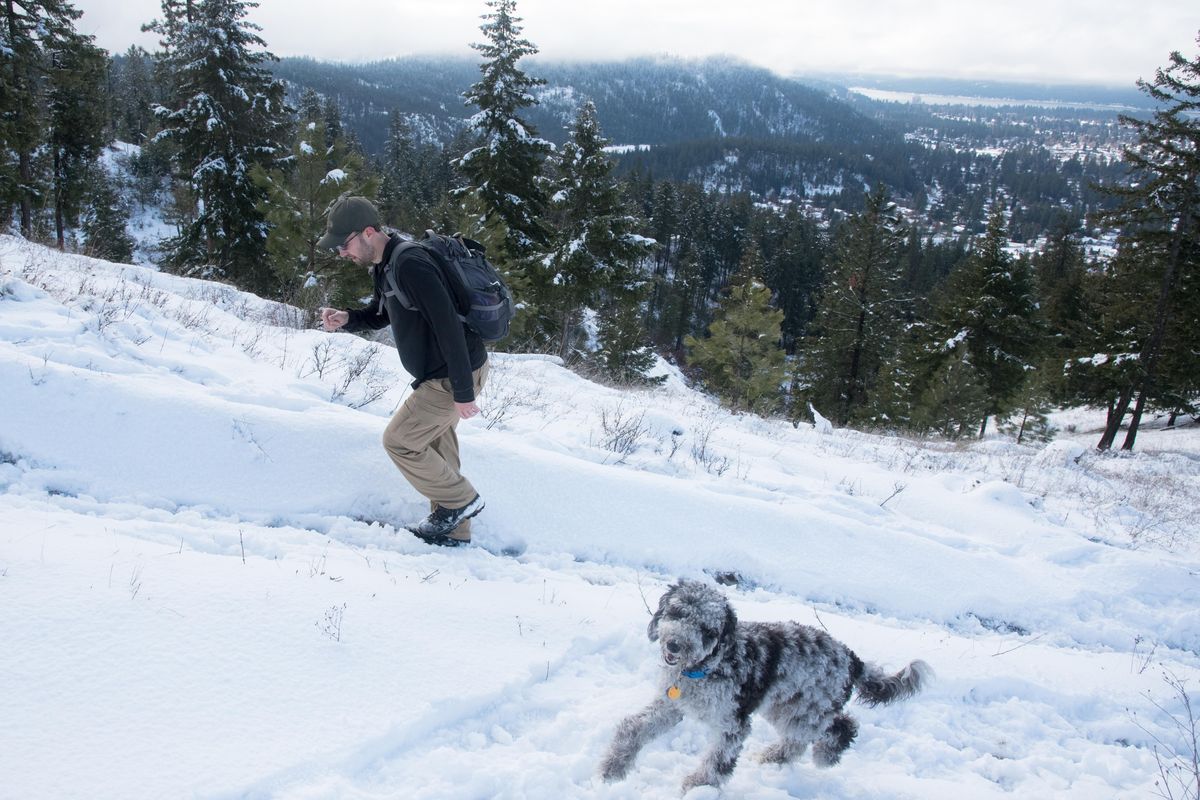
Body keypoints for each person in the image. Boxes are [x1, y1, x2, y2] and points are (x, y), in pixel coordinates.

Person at [316, 196, 488, 546]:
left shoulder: (410, 263)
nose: (341, 254)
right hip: (441, 374)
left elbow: (448, 327)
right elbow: (382, 313)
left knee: (400, 441)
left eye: (344, 245)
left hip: (451, 376)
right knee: (437, 446)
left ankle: (463, 500)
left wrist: (462, 393)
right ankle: (454, 531)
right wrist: (349, 318)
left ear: (367, 232)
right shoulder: (387, 262)